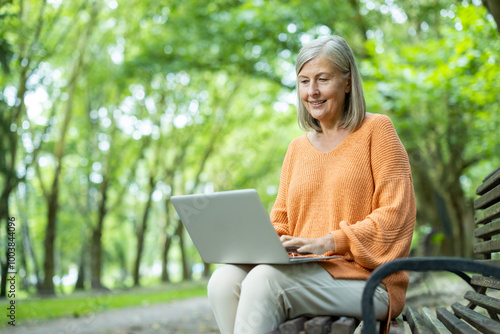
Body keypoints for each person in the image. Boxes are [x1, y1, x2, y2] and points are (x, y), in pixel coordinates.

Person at [207, 35, 416, 334]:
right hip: (305, 272)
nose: (312, 91)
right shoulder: (297, 149)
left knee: (264, 281)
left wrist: (328, 242)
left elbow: (396, 218)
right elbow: (281, 222)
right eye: (304, 81)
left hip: (369, 282)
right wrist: (265, 245)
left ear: (347, 82)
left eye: (322, 79)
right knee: (223, 282)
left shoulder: (377, 131)